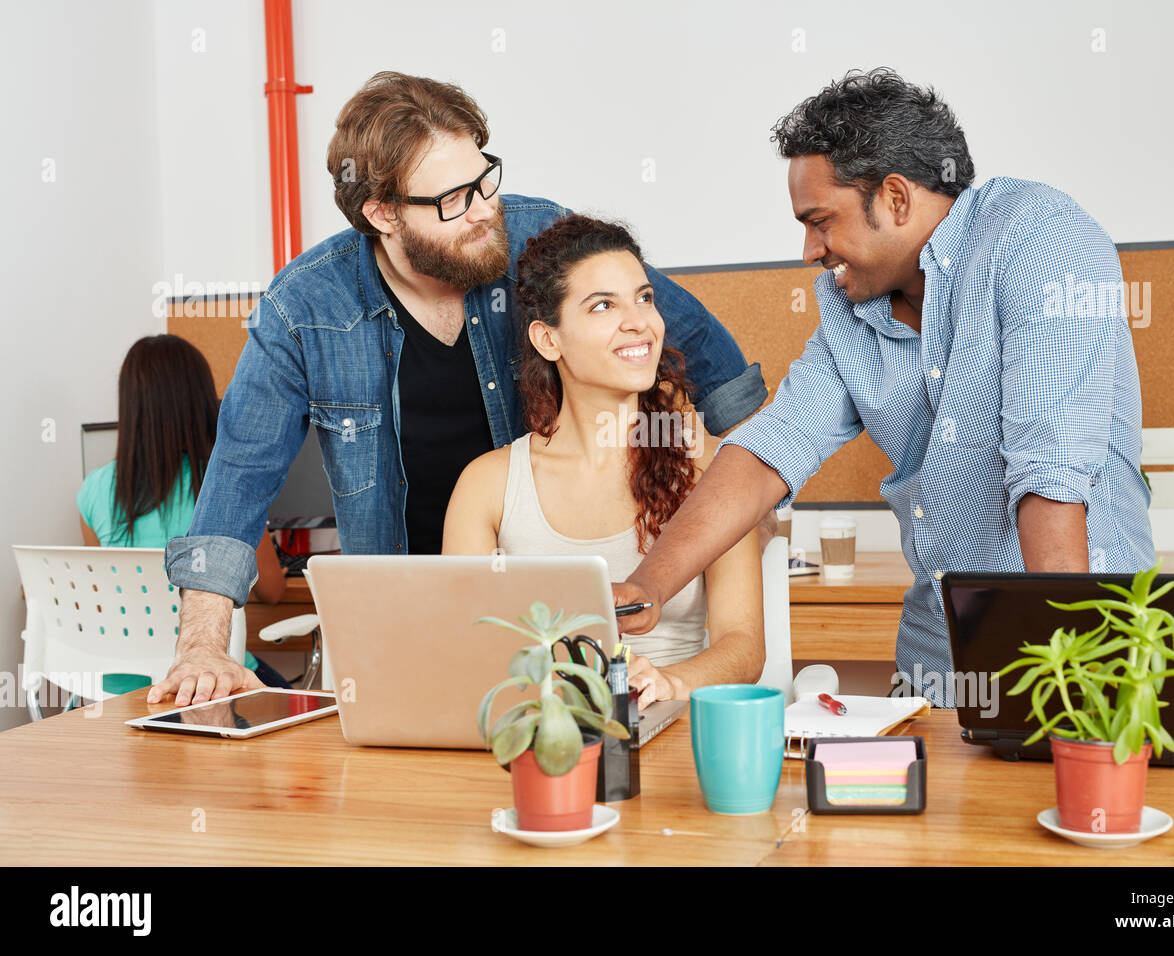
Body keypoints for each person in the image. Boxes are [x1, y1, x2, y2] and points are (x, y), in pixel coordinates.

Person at [150, 71, 766, 707]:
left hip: (519, 607)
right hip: (391, 608)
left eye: (485, 179)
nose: (483, 210)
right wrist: (203, 643)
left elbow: (701, 350)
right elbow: (239, 476)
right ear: (382, 213)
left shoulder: (535, 237)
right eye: (452, 199)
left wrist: (747, 505)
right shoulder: (303, 307)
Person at [614, 68, 1154, 707]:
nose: (810, 249)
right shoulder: (851, 306)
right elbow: (770, 450)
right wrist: (644, 590)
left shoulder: (1039, 239)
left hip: (1075, 644)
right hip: (936, 664)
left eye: (821, 221)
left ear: (896, 199)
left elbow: (1050, 474)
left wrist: (1075, 676)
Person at [443, 215, 764, 705]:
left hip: (673, 725)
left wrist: (667, 682)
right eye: (602, 306)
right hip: (539, 730)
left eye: (644, 298)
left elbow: (742, 647)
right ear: (548, 339)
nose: (638, 321)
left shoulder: (714, 468)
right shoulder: (486, 486)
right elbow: (463, 647)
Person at [77, 335, 289, 688]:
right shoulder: (223, 486)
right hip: (204, 682)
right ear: (201, 401)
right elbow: (273, 591)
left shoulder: (93, 490)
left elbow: (103, 595)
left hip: (117, 686)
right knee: (298, 703)